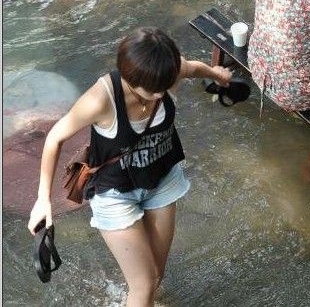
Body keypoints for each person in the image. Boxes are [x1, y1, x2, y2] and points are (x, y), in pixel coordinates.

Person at [27, 28, 232, 306]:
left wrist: (218, 74)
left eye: (166, 85)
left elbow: (192, 68)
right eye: (153, 90)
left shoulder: (167, 70)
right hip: (115, 193)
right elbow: (55, 137)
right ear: (129, 78)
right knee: (144, 284)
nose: (161, 92)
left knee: (155, 276)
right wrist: (43, 199)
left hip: (161, 180)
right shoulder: (100, 100)